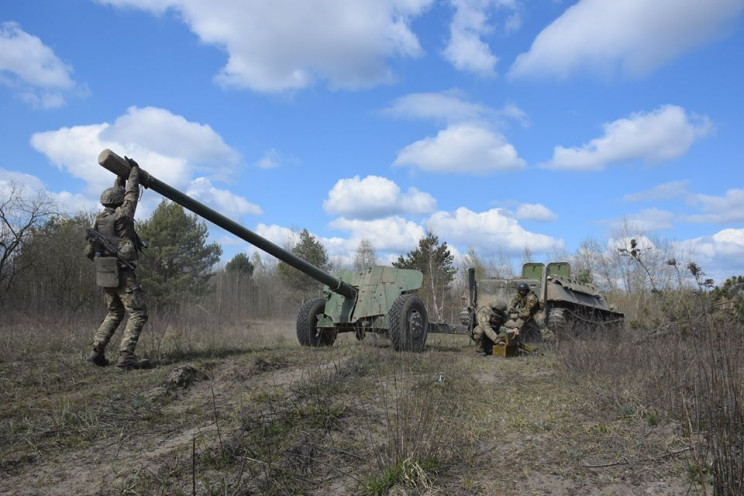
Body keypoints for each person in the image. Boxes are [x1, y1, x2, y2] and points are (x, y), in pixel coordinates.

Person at [84, 157, 150, 370]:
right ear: (119, 202)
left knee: (114, 312)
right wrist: (134, 172)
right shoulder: (123, 216)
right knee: (138, 312)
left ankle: (96, 351)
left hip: (105, 273)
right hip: (123, 273)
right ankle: (126, 356)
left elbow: (88, 252)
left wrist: (119, 176)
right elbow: (131, 194)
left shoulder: (99, 220)